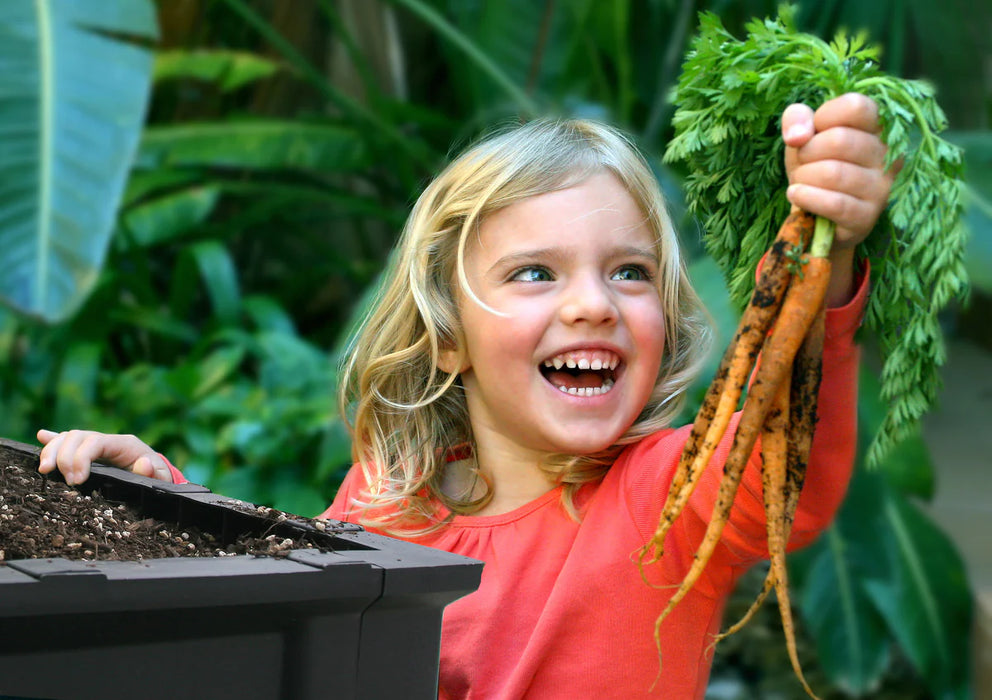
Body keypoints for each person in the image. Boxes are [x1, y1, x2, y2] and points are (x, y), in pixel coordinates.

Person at [37, 93, 894, 699]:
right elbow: (292, 630)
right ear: (449, 336)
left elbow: (791, 464)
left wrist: (830, 250)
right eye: (535, 273)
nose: (593, 301)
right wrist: (157, 509)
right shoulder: (386, 502)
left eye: (629, 273)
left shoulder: (668, 494)